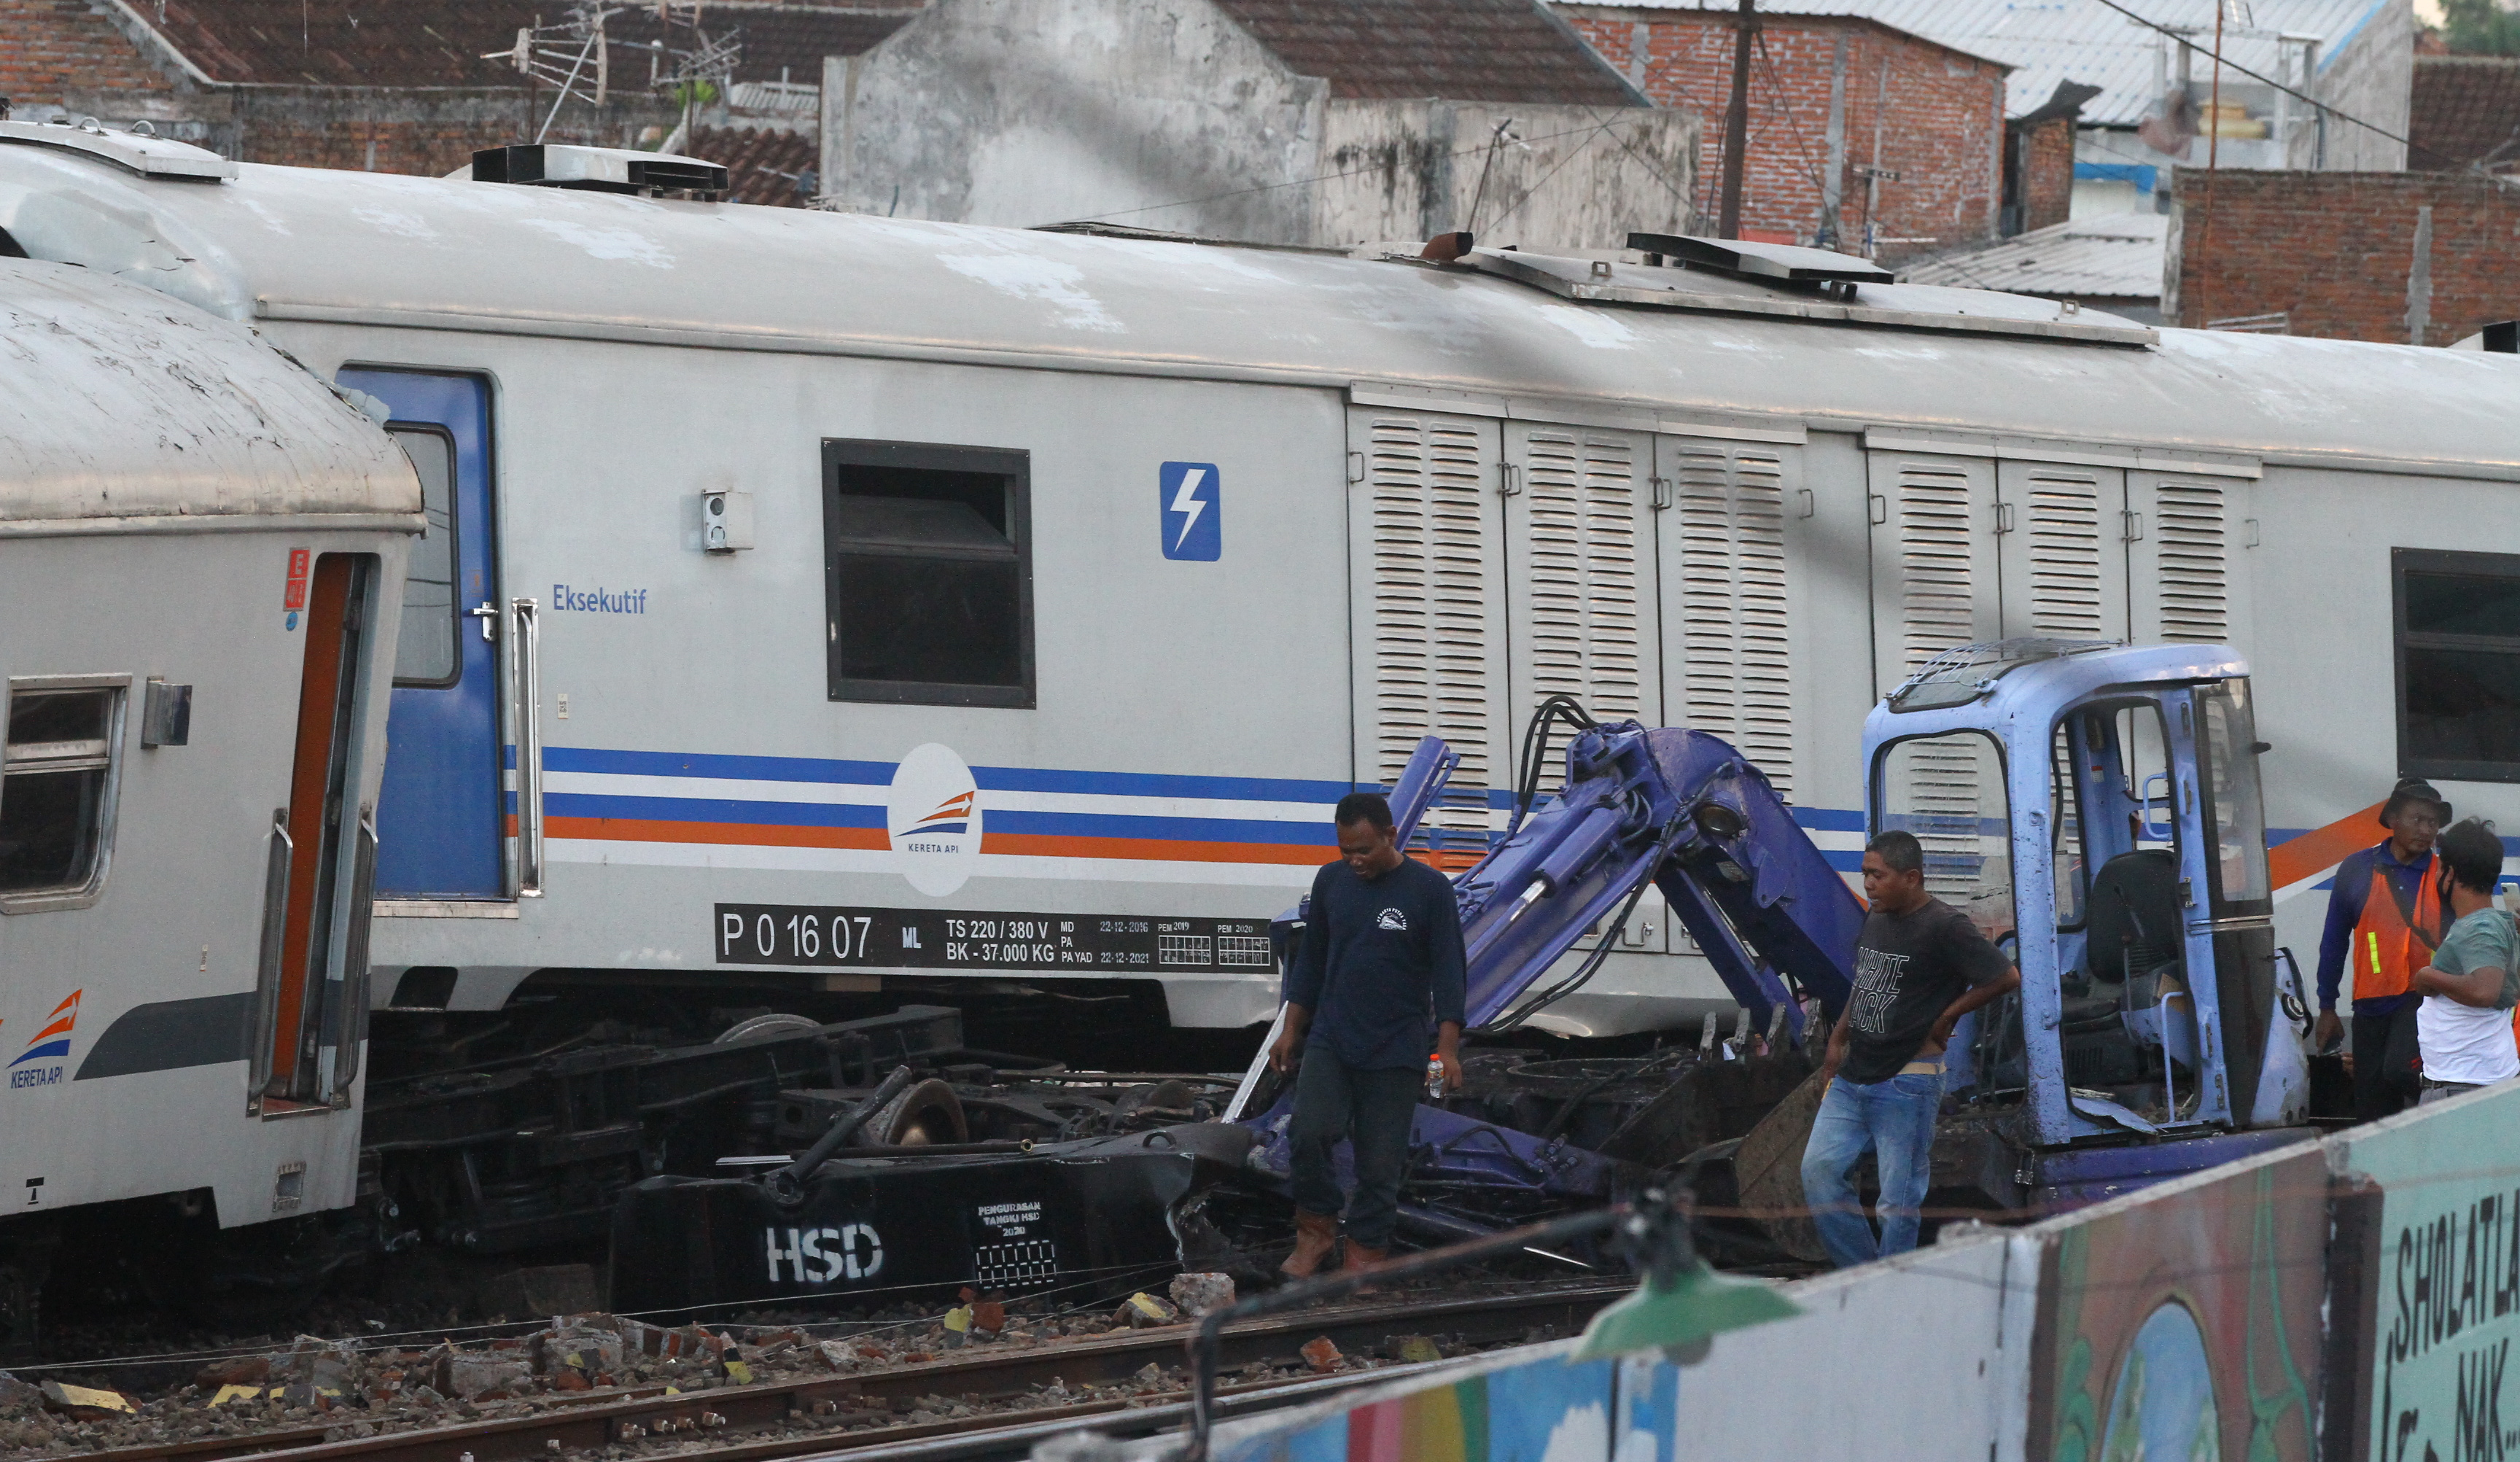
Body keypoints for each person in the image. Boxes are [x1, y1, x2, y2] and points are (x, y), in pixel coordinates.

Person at [1269, 792, 1467, 1279]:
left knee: (1380, 1163)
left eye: (1364, 850)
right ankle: (1315, 1232)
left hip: (1396, 1046)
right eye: (1346, 851)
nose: (1354, 861)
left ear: (1391, 835)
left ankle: (1365, 1255)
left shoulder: (1430, 889)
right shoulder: (1331, 881)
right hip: (1332, 1037)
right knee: (1309, 1130)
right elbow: (1311, 960)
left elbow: (1449, 973)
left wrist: (1446, 1049)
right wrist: (1291, 1029)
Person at [1801, 831, 2018, 1268]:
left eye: (1877, 876)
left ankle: (1890, 1290)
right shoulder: (1877, 917)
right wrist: (1837, 1041)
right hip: (1853, 1075)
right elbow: (1865, 985)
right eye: (1865, 874)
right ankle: (1865, 1278)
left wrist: (1947, 1016)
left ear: (1912, 878)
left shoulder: (1945, 926)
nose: (1868, 885)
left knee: (1897, 1201)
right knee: (1819, 1174)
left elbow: (2005, 977)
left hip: (1909, 1078)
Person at [2314, 779, 2451, 1121]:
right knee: (2371, 1109)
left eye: (2433, 822)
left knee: (2403, 1076)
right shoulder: (2357, 868)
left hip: (2424, 1004)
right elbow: (2334, 940)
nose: (2426, 830)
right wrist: (2327, 1006)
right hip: (2370, 1007)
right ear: (2392, 819)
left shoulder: (2444, 875)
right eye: (2417, 819)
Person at [2410, 818, 2519, 1104]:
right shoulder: (2493, 924)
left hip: (2464, 1090)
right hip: (2471, 1084)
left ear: (2450, 873)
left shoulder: (2480, 927)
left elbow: (2485, 991)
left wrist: (2427, 976)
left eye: (2438, 867)